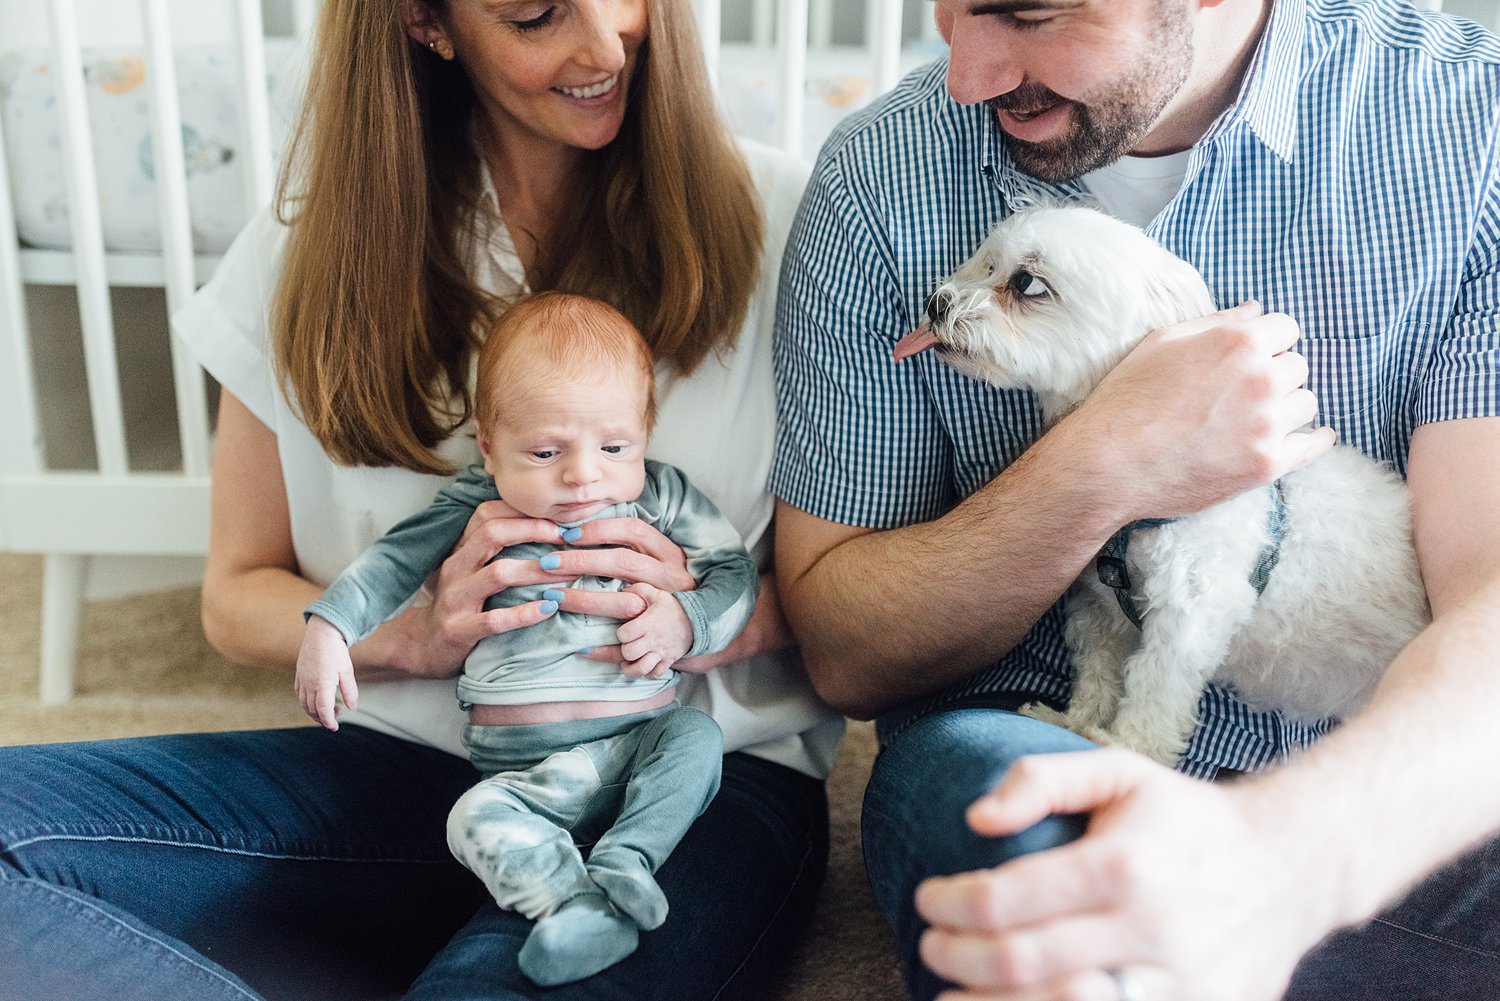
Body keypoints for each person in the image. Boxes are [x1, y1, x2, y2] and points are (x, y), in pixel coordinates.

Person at [0, 1, 843, 998]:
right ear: (425, 23)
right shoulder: (309, 263)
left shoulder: (796, 224)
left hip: (693, 773)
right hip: (414, 768)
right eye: (535, 14)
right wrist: (409, 636)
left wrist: (695, 618)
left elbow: (868, 599)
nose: (604, 43)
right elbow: (234, 591)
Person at [771, 1, 1500, 1000]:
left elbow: (1490, 609)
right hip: (1037, 745)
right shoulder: (875, 181)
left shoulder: (1474, 117)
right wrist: (1109, 462)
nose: (967, 76)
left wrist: (1275, 862)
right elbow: (846, 649)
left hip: (1388, 779)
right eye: (945, 9)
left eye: (1026, 11)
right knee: (1026, 856)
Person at [295, 291, 757, 985]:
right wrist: (331, 626)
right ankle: (576, 906)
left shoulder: (658, 496)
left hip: (636, 744)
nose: (581, 474)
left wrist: (686, 619)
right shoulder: (475, 501)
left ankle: (629, 857)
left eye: (614, 446)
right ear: (489, 446)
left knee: (696, 740)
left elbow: (734, 571)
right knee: (471, 819)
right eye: (544, 450)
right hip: (523, 780)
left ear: (645, 433)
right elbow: (392, 562)